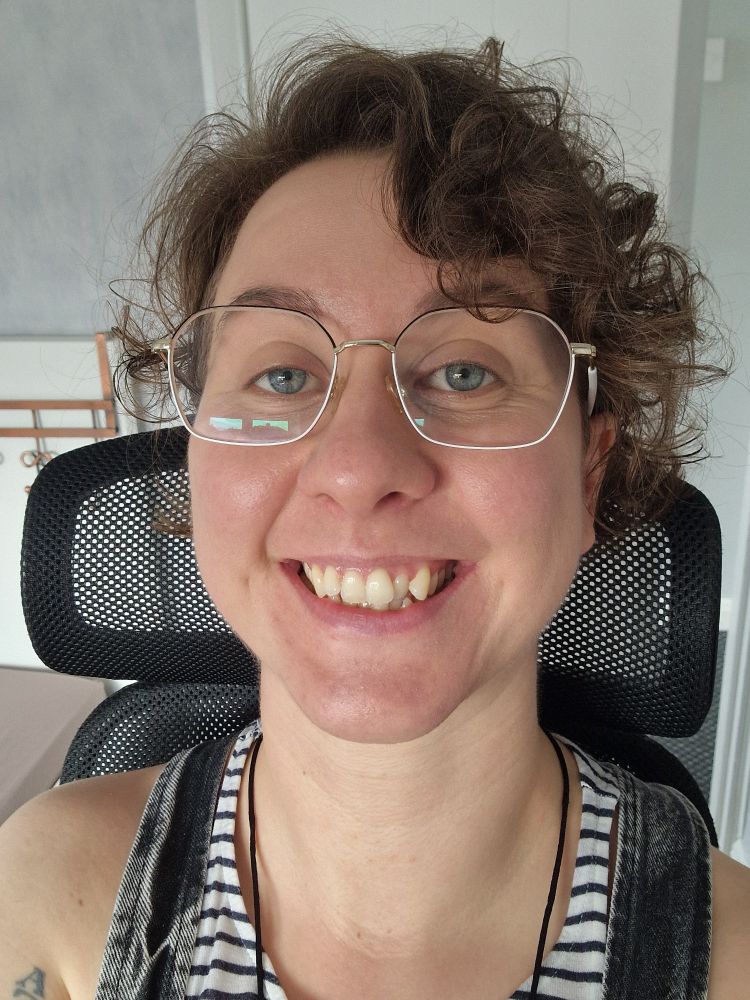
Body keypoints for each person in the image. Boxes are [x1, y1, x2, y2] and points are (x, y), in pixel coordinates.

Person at [1, 34, 747, 1000]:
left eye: (466, 371)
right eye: (281, 374)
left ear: (590, 473)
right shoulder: (44, 900)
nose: (357, 468)